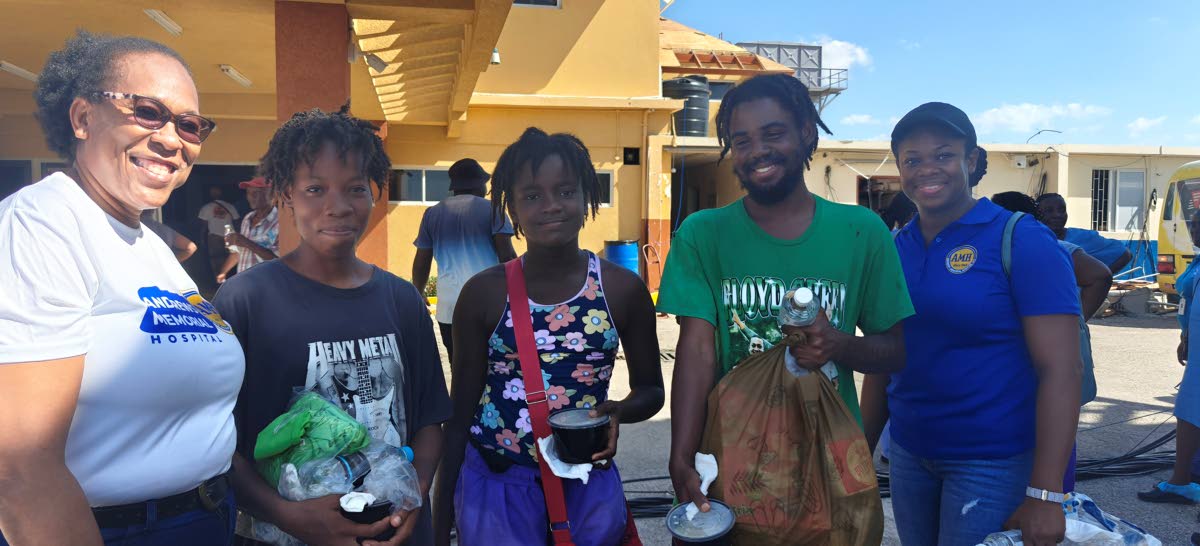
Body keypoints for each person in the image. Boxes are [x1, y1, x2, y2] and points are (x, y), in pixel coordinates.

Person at [0, 31, 239, 545]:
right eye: (148, 112)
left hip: (204, 518)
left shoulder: (144, 240)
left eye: (190, 125)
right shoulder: (42, 226)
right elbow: (18, 472)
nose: (173, 139)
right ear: (83, 118)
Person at [655, 73, 913, 520]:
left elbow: (895, 351)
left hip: (826, 457)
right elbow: (696, 352)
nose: (757, 150)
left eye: (773, 133)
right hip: (728, 457)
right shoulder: (702, 233)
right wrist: (682, 454)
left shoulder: (862, 233)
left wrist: (839, 345)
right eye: (742, 139)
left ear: (806, 133)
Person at [212, 106, 451, 546]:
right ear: (286, 194)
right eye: (315, 189)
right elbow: (216, 439)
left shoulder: (401, 300)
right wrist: (288, 516)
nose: (337, 207)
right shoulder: (245, 301)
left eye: (355, 189)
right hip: (284, 533)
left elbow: (431, 421)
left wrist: (411, 497)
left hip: (394, 531)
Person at [861, 102, 1081, 546]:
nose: (927, 169)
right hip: (908, 453)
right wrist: (859, 455)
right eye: (912, 160)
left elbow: (1062, 370)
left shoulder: (1020, 239)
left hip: (993, 461)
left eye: (943, 155)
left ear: (973, 160)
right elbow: (884, 361)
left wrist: (1045, 493)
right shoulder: (893, 249)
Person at [432, 127, 664, 546]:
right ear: (512, 212)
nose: (551, 206)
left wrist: (618, 412)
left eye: (565, 191)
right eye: (532, 196)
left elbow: (650, 390)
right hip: (497, 483)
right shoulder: (483, 293)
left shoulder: (622, 290)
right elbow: (461, 406)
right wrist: (441, 504)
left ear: (586, 198)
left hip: (586, 481)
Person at [993, 190, 1114, 494]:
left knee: (1056, 426)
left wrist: (1077, 318)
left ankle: (1058, 496)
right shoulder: (1005, 250)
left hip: (1052, 359)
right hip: (1040, 361)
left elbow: (1101, 275)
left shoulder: (1054, 249)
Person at [411, 158, 517, 360]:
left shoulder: (432, 214)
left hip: (449, 309)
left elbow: (422, 261)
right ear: (479, 183)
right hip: (490, 306)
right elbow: (507, 256)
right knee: (494, 366)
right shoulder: (492, 209)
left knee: (458, 366)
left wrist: (418, 291)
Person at [1138, 210, 1200, 507]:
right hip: (1195, 344)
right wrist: (1185, 337)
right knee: (1188, 411)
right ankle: (1181, 481)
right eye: (1195, 226)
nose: (1197, 231)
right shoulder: (1197, 261)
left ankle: (1182, 481)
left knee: (1190, 411)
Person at [1036, 192, 1133, 274]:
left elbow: (1125, 254)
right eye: (1049, 211)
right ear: (1037, 214)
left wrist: (1101, 278)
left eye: (1062, 210)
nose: (1057, 215)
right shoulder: (1029, 239)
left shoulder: (1084, 237)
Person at [215, 176, 279, 283]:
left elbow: (280, 262)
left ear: (272, 195)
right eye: (248, 193)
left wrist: (246, 242)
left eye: (256, 193)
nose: (250, 197)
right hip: (245, 285)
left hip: (266, 284)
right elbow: (239, 252)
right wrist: (223, 272)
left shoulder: (280, 222)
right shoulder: (247, 218)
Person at [199, 184, 240, 272]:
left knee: (216, 261)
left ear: (211, 194)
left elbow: (204, 226)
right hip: (230, 237)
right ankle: (229, 279)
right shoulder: (230, 207)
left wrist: (202, 239)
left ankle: (219, 281)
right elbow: (236, 223)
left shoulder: (206, 208)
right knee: (231, 260)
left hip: (214, 238)